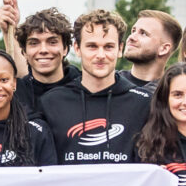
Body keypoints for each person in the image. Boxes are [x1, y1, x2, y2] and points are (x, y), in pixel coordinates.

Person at [36, 9, 152, 165]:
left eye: (108, 47)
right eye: (92, 46)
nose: (101, 55)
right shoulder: (51, 103)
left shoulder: (143, 103)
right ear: (77, 48)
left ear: (120, 49)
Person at [16, 7, 76, 108]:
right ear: (24, 52)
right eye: (34, 43)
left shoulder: (83, 87)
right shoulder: (16, 94)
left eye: (52, 42)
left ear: (65, 48)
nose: (43, 50)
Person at [121, 9, 182, 91]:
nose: (131, 37)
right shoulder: (109, 83)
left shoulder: (173, 94)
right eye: (133, 31)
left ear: (164, 49)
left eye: (143, 33)